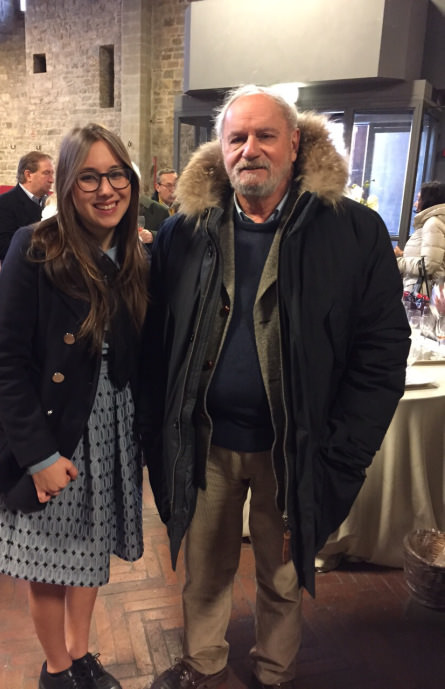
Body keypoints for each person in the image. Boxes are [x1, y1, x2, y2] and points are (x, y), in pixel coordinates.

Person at [137, 85, 410, 689]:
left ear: (295, 144)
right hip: (206, 443)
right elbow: (156, 342)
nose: (250, 150)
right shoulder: (188, 232)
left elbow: (383, 351)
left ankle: (274, 670)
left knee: (282, 576)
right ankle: (203, 665)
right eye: (237, 138)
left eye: (265, 136)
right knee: (204, 570)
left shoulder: (353, 231)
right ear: (221, 151)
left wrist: (345, 450)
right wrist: (155, 432)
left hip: (296, 447)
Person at [0, 123, 148, 689]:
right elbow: (8, 362)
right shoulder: (36, 246)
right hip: (54, 427)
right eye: (89, 176)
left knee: (90, 551)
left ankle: (81, 652)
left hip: (114, 422)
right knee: (47, 559)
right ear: (66, 184)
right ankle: (57, 670)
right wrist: (38, 456)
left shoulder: (137, 251)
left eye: (116, 174)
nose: (106, 188)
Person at [0, 150, 54, 261]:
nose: (52, 180)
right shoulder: (3, 204)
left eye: (52, 173)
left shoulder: (51, 203)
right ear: (28, 175)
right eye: (46, 173)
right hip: (24, 274)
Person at [394, 180, 445, 293]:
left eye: (419, 199)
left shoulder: (433, 224)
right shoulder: (434, 222)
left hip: (424, 295)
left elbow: (428, 266)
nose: (415, 203)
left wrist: (397, 262)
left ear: (429, 200)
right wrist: (403, 254)